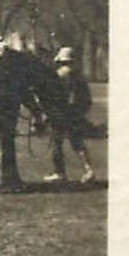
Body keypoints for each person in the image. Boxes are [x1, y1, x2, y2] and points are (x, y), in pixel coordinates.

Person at [44, 47, 95, 184]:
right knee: (78, 143)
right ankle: (88, 170)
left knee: (56, 143)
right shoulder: (80, 76)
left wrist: (49, 113)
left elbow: (52, 97)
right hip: (76, 114)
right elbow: (87, 100)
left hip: (61, 114)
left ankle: (59, 172)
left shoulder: (58, 75)